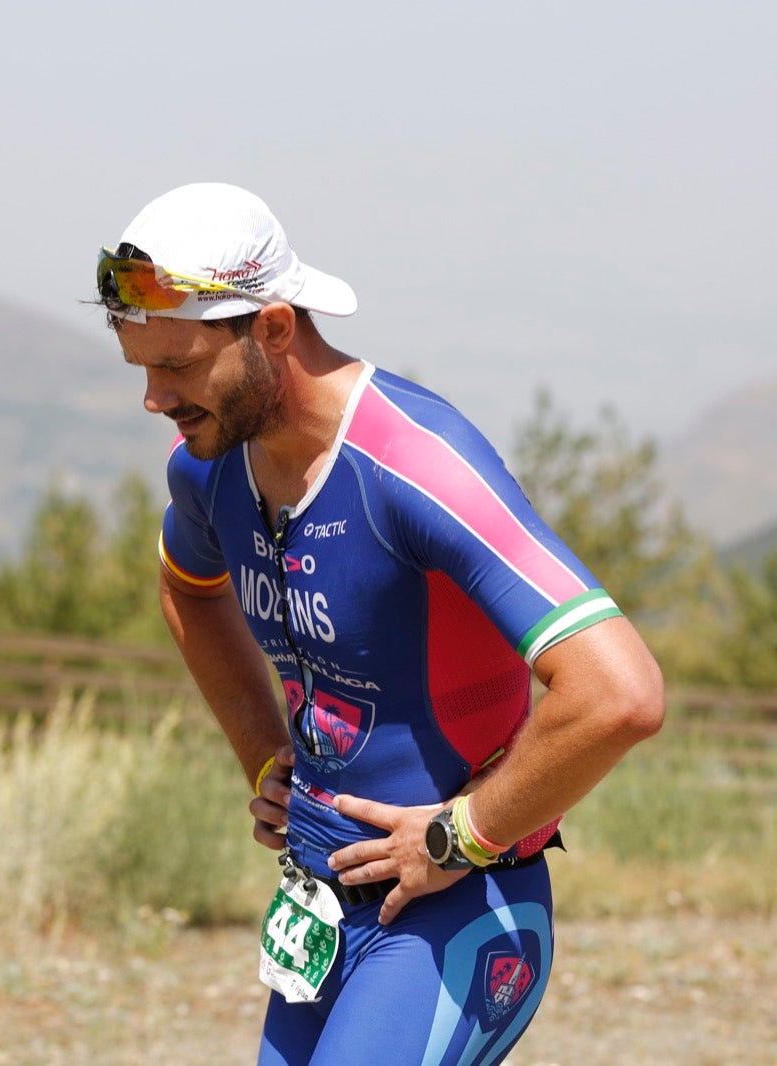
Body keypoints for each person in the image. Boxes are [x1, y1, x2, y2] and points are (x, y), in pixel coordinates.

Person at [95, 182, 664, 1065]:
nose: (154, 398)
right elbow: (189, 591)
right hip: (320, 916)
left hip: (458, 917)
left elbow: (620, 693)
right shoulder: (207, 472)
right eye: (142, 369)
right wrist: (265, 756)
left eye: (177, 366)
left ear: (275, 329)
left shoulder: (413, 464)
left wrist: (459, 835)